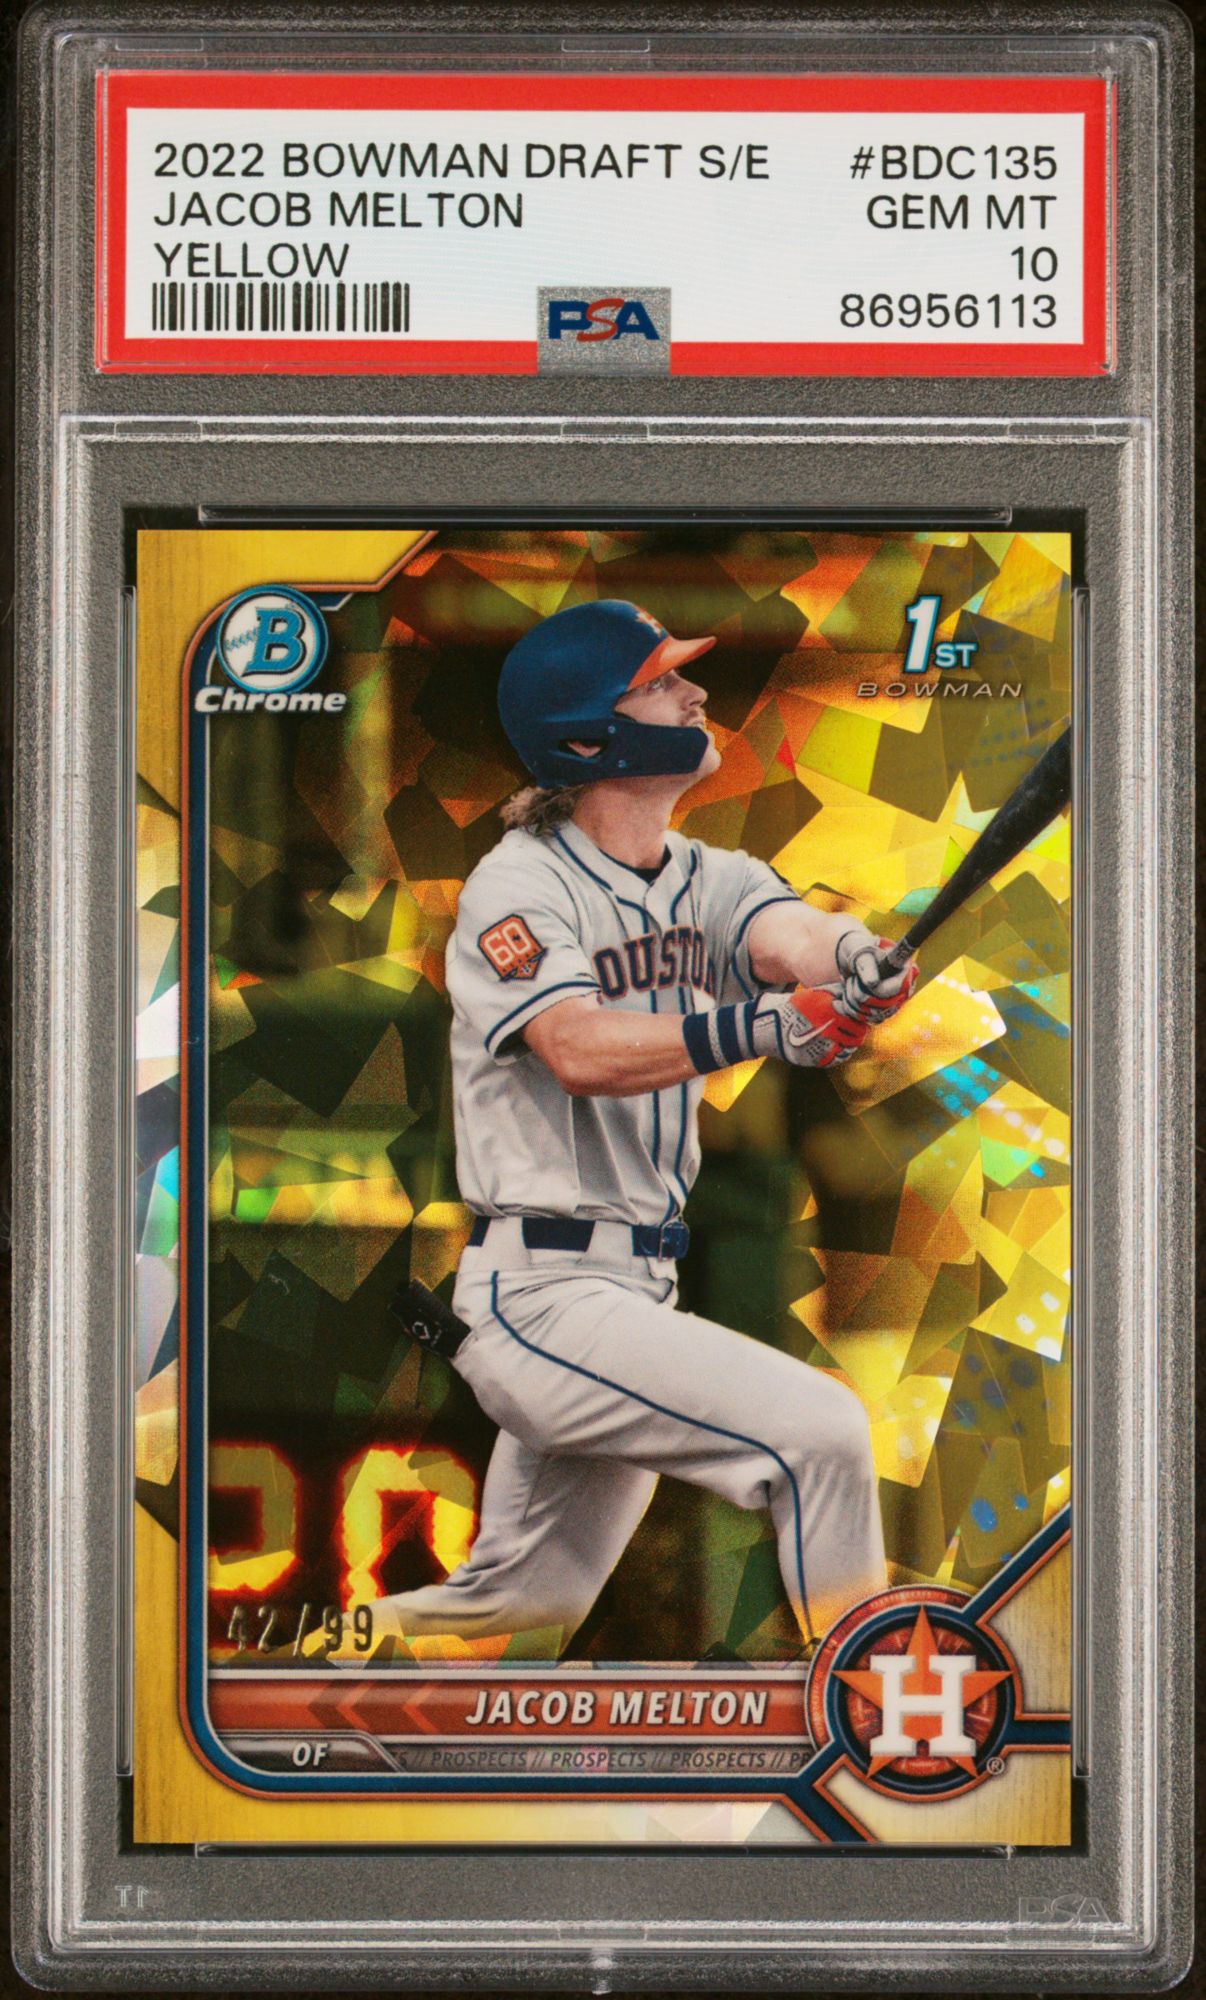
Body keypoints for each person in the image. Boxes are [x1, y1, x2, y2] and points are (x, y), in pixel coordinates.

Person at [375, 600, 915, 1654]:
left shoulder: (704, 873)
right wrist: (763, 1025)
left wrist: (855, 960)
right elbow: (577, 1048)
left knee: (501, 1625)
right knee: (820, 1433)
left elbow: (784, 934)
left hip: (634, 1290)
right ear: (588, 739)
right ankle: (876, 1715)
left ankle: (276, 1674)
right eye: (662, 681)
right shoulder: (515, 887)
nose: (695, 694)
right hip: (542, 1294)